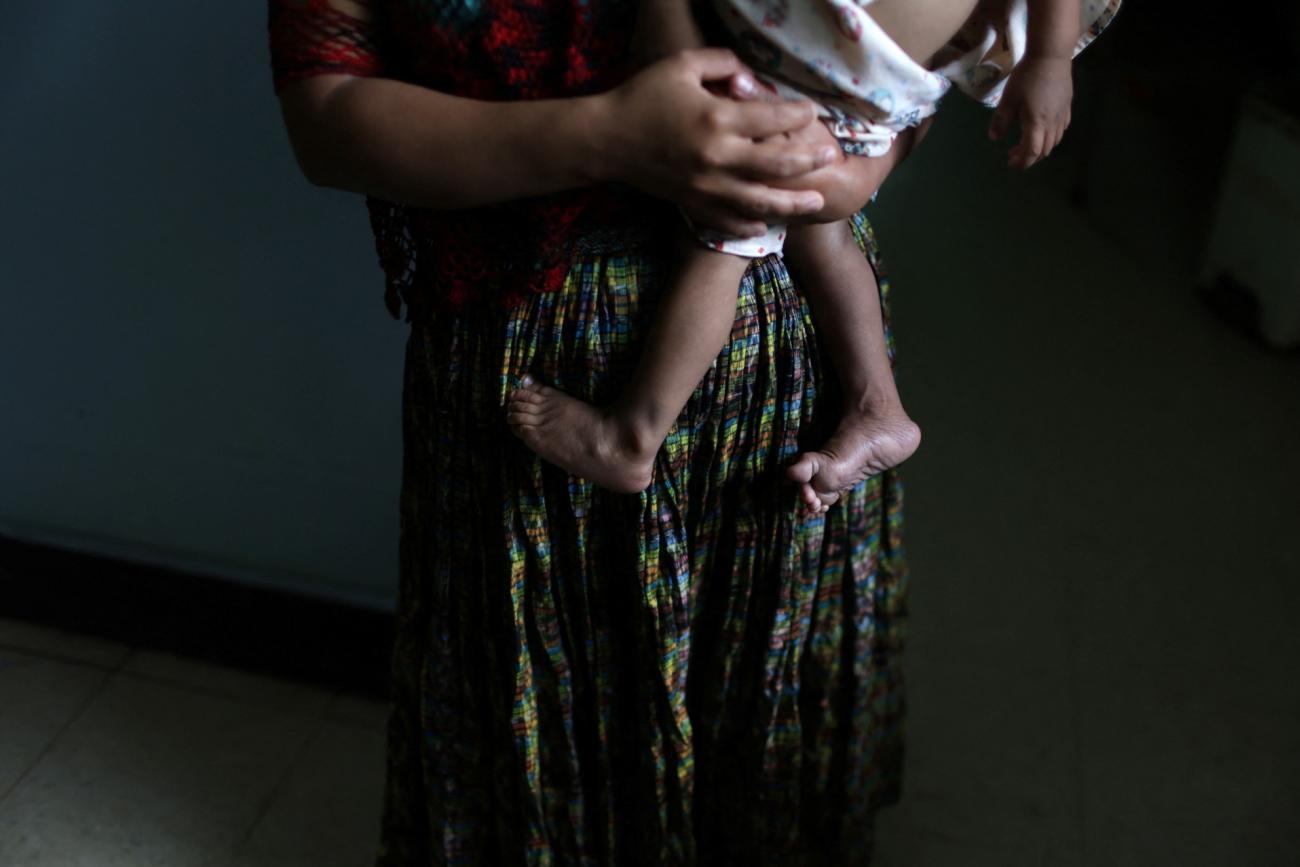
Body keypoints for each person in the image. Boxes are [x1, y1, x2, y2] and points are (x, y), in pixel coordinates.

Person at [269, 1, 920, 864]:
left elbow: (906, 35)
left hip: (784, 358)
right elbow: (329, 122)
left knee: (756, 723)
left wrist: (867, 148)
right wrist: (610, 134)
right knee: (555, 712)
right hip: (531, 351)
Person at [505, 0, 1122, 514]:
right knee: (817, 230)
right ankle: (877, 405)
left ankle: (633, 435)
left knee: (725, 234)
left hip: (828, 55)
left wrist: (1047, 58)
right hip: (844, 61)